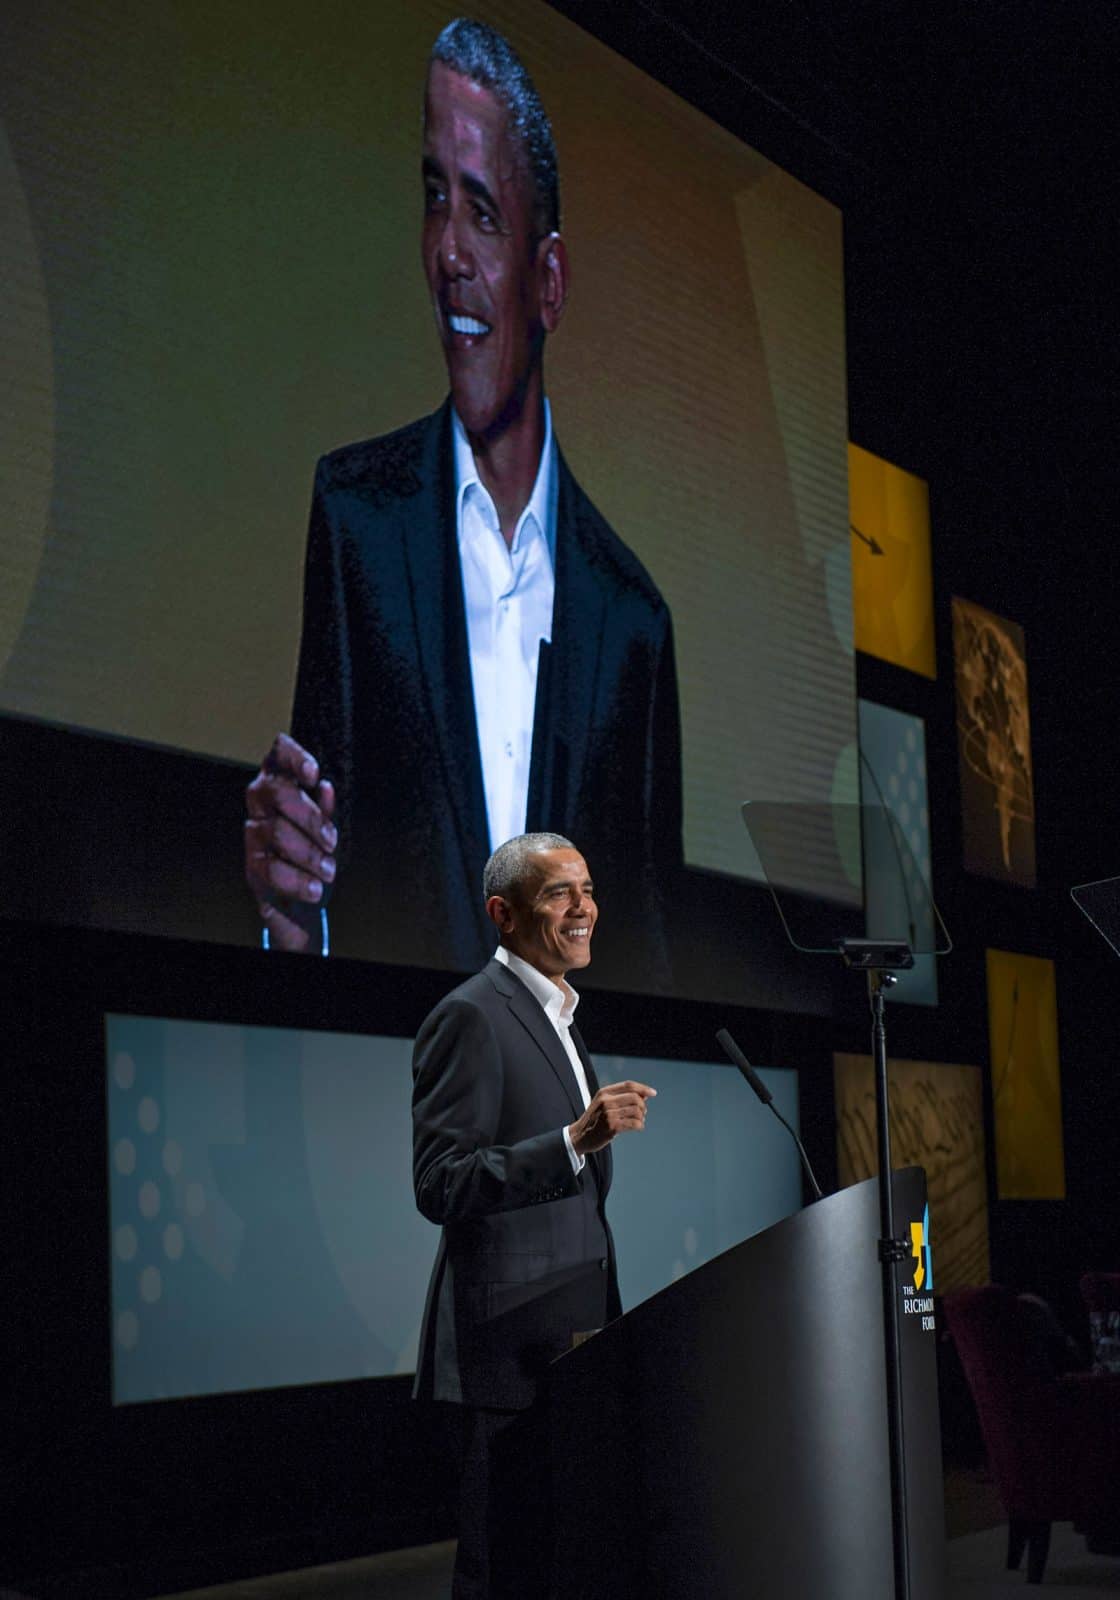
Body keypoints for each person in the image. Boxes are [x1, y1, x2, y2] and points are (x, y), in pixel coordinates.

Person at [243, 18, 682, 987]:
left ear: (549, 279)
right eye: (434, 199)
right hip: (385, 1108)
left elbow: (651, 967)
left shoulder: (634, 621)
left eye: (481, 212)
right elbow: (313, 898)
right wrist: (289, 916)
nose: (446, 249)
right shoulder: (356, 518)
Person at [411, 831, 655, 1597]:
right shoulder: (472, 1016)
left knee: (555, 1564)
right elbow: (441, 1183)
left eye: (587, 890)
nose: (584, 908)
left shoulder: (559, 1015)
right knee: (498, 1571)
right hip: (504, 1352)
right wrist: (572, 1139)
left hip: (568, 1345)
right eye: (559, 893)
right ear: (502, 913)